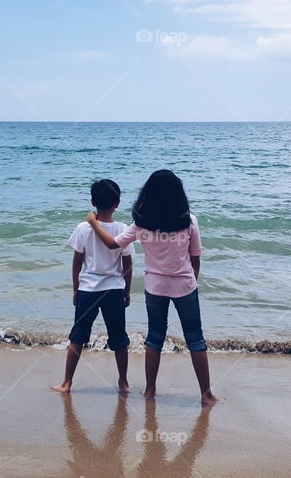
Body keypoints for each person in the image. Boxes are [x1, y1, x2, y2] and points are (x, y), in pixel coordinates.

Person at [85, 169, 218, 405]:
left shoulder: (141, 223)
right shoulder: (189, 220)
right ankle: (206, 395)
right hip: (185, 286)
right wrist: (191, 279)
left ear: (148, 194)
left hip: (155, 287)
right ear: (179, 194)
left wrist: (94, 222)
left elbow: (112, 244)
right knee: (196, 339)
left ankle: (150, 390)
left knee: (154, 338)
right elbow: (195, 257)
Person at [52, 179, 134, 394]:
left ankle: (67, 383)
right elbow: (128, 264)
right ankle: (123, 382)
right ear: (117, 203)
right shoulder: (122, 228)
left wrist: (75, 288)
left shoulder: (83, 227)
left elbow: (77, 261)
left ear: (92, 201)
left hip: (88, 288)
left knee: (78, 336)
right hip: (114, 289)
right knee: (119, 338)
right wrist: (126, 290)